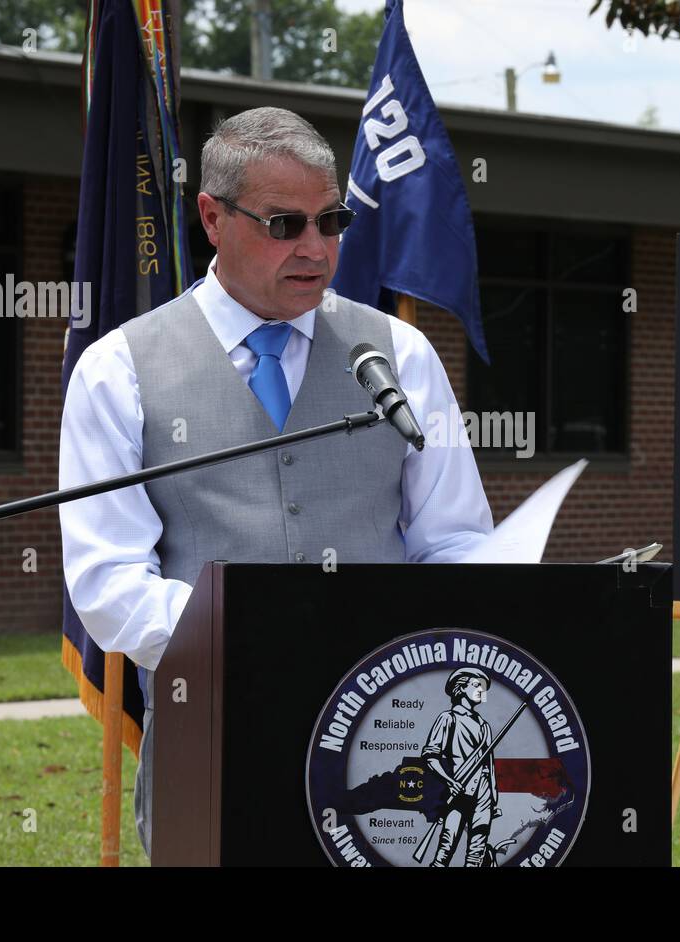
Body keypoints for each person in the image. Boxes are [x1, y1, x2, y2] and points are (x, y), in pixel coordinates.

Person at [58, 107, 493, 857]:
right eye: (285, 224)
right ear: (211, 217)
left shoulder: (402, 355)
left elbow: (456, 541)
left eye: (332, 221)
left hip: (389, 730)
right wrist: (258, 639)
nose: (317, 250)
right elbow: (108, 579)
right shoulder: (119, 369)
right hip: (214, 727)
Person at [421, 667, 501, 867]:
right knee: (448, 842)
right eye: (476, 686)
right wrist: (449, 782)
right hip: (459, 788)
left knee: (478, 846)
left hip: (483, 791)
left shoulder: (484, 726)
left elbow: (488, 764)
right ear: (461, 688)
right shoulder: (448, 719)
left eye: (483, 688)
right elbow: (431, 756)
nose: (482, 691)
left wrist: (493, 797)